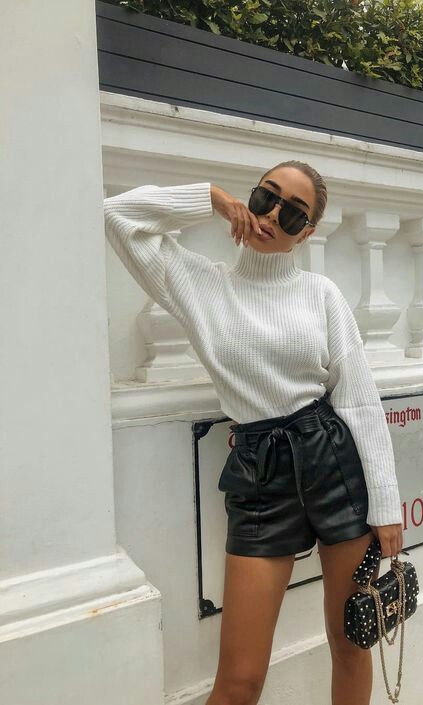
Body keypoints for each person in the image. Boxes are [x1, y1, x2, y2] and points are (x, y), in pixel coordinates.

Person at [103, 160, 403, 705]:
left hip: (333, 462)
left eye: (294, 214)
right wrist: (211, 198)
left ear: (306, 233)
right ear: (251, 197)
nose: (273, 216)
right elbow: (117, 216)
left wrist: (385, 505)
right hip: (260, 472)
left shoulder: (321, 294)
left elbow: (358, 398)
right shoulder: (200, 284)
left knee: (350, 641)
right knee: (239, 682)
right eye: (267, 197)